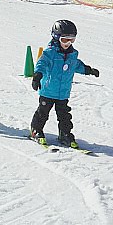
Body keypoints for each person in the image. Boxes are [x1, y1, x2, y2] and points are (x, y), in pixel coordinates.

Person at [30, 20, 99, 148]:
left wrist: (88, 70)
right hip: (48, 91)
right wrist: (37, 76)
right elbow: (41, 64)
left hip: (63, 93)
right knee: (43, 113)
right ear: (56, 38)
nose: (68, 43)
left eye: (71, 40)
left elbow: (76, 65)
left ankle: (65, 134)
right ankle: (36, 130)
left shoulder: (73, 54)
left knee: (64, 116)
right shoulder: (49, 53)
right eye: (65, 40)